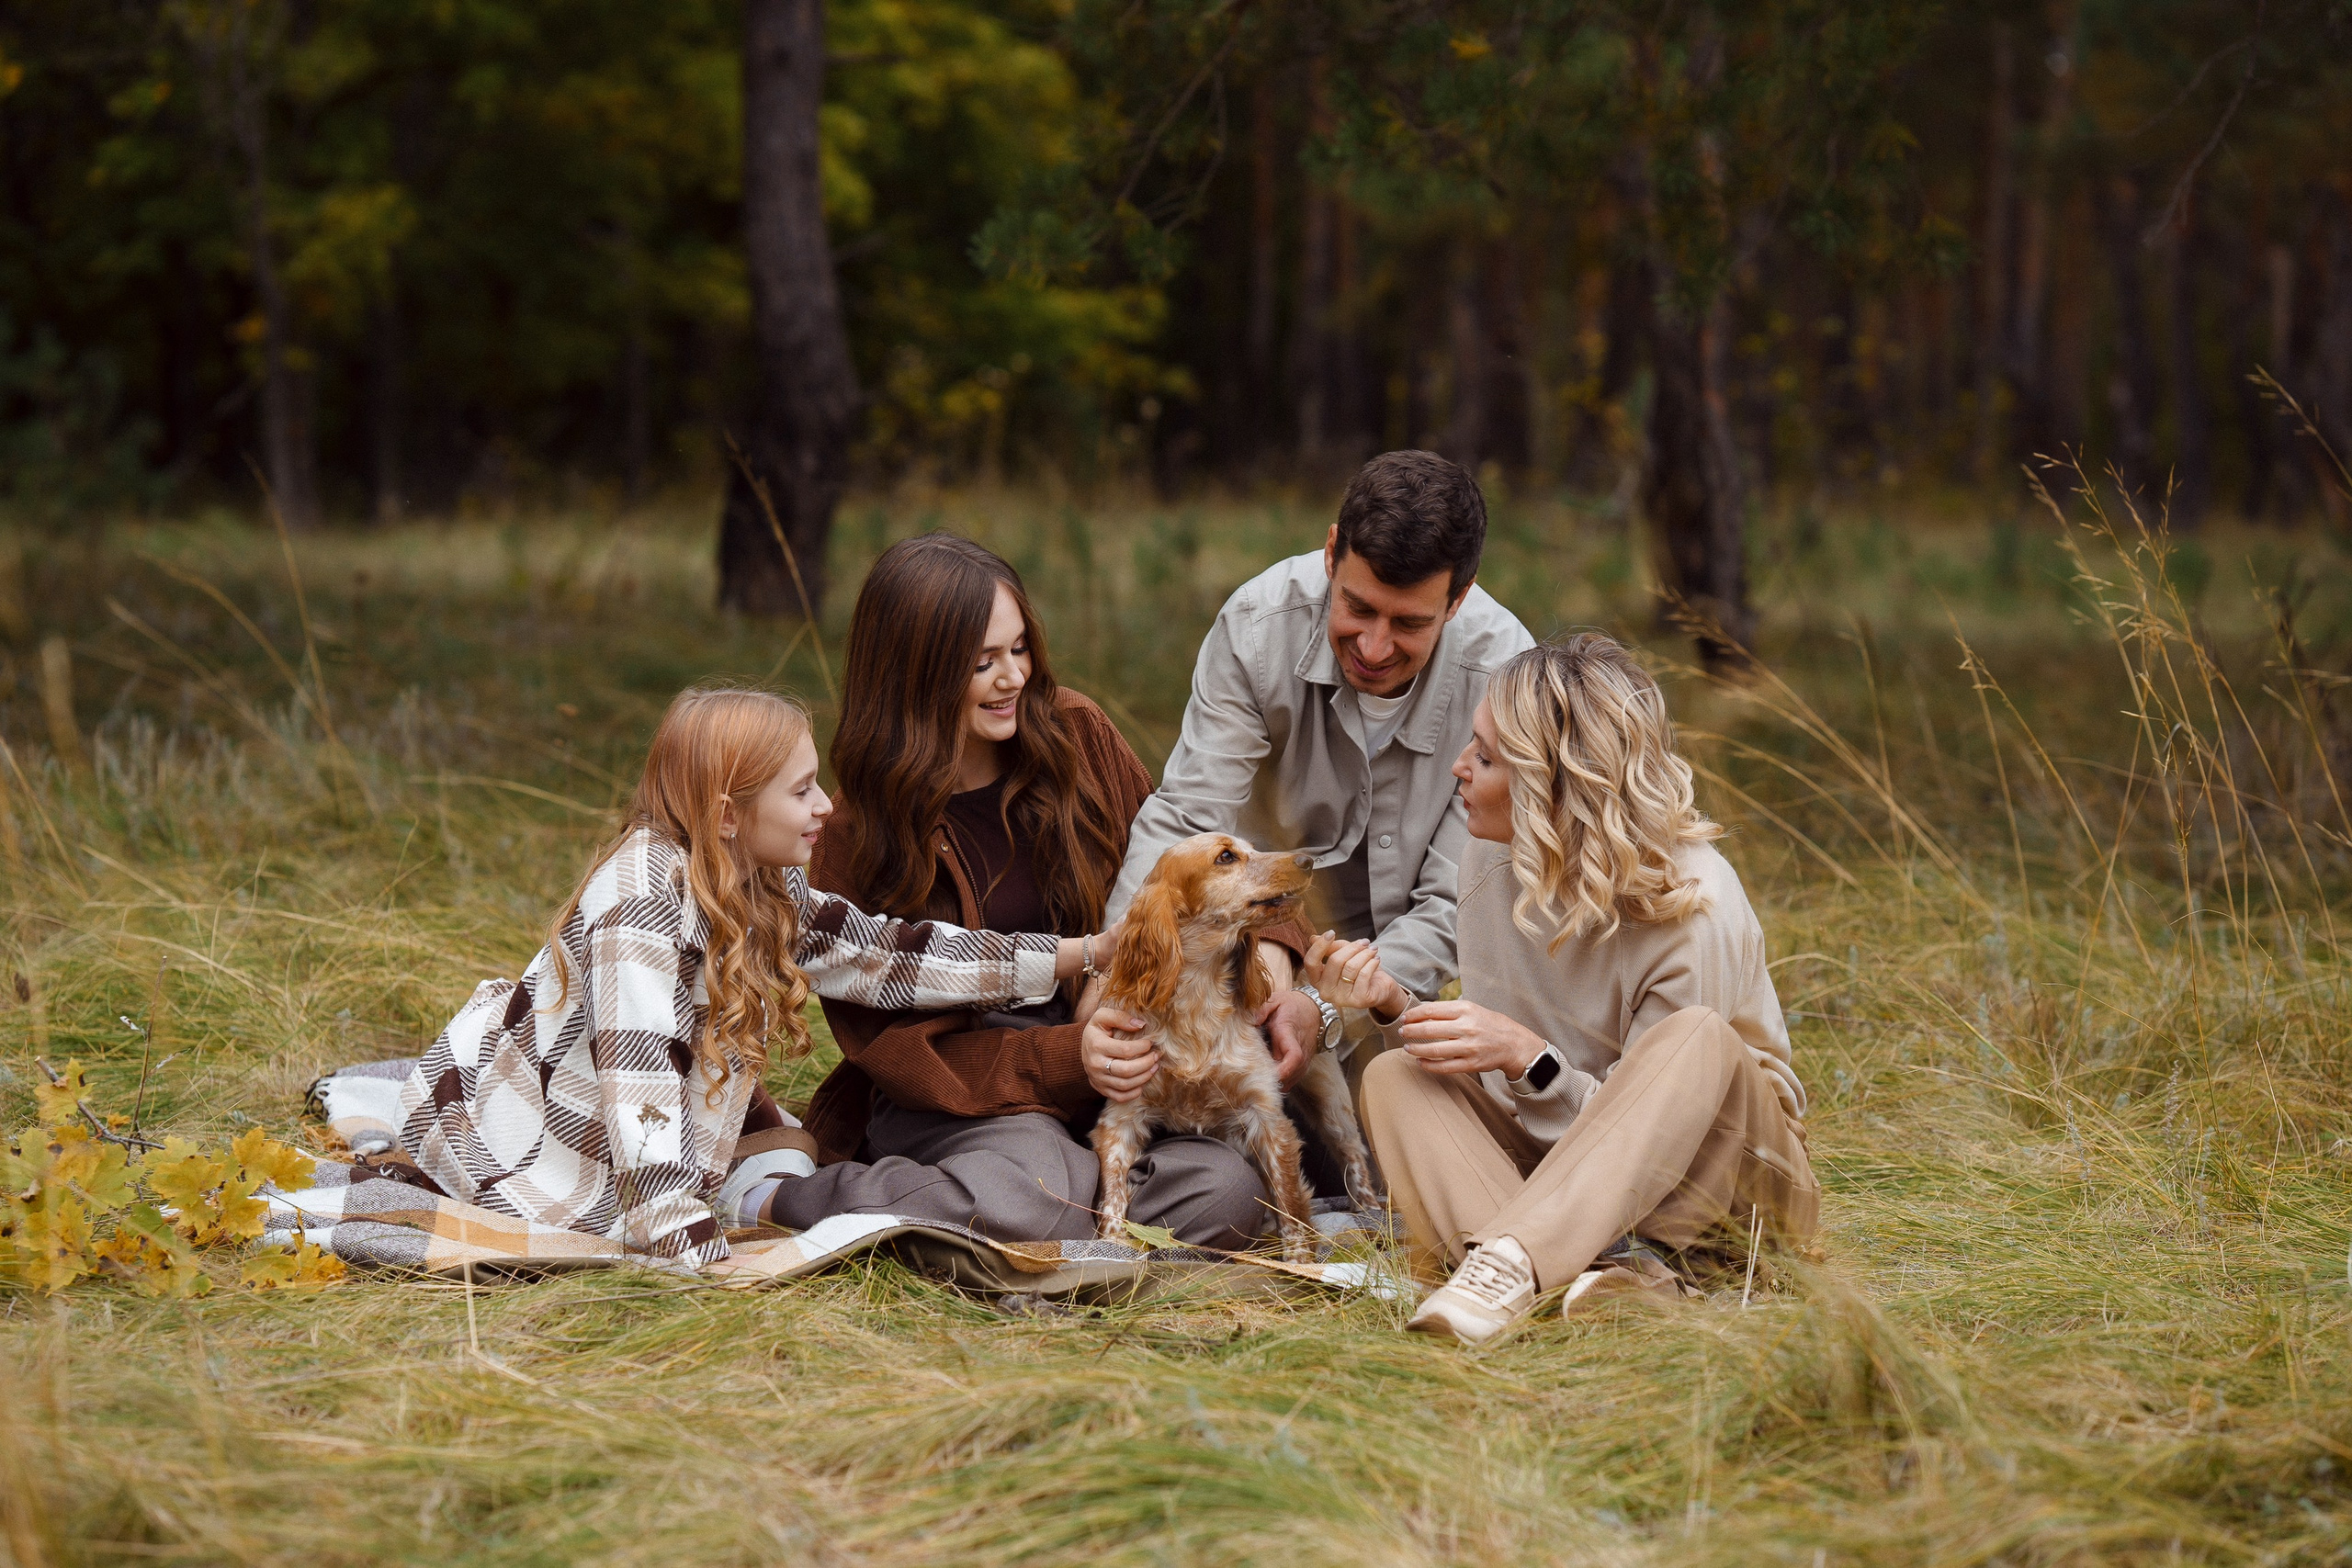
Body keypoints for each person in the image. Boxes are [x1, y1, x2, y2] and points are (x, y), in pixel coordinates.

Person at [393, 686, 1112, 1270]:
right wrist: (687, 1243)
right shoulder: (638, 906)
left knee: (779, 1141)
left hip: (657, 1106)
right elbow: (640, 1093)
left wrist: (1073, 955)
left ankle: (742, 1179)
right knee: (668, 1184)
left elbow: (887, 955)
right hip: (532, 1138)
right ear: (728, 814)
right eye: (802, 791)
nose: (825, 804)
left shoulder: (759, 876)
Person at [767, 535, 1277, 1249]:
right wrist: (1069, 1057)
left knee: (1227, 1188)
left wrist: (1276, 946)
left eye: (1019, 649)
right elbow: (893, 1052)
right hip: (961, 1098)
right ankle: (786, 1196)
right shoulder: (855, 828)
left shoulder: (1077, 735)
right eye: (982, 663)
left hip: (1105, 1084)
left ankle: (1049, 1234)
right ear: (916, 674)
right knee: (1036, 1191)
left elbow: (1186, 869)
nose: (1013, 677)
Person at [1306, 635, 1819, 1344]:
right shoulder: (1491, 858)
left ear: (1555, 785)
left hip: (1724, 1194)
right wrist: (1393, 1007)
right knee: (1398, 1076)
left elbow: (1653, 1149)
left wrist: (1532, 1061)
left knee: (1696, 1034)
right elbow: (1506, 1084)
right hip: (1568, 1177)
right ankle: (1575, 1284)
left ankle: (1514, 1263)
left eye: (1487, 758)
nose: (1460, 767)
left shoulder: (1690, 906)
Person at [1092, 451, 1534, 1102]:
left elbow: (1454, 902)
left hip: (1392, 988)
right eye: (1357, 607)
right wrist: (1111, 988)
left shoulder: (1508, 677)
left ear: (1458, 600)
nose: (1375, 647)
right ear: (1332, 554)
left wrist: (1324, 1008)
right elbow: (1187, 817)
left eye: (1409, 623)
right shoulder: (1256, 627)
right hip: (1250, 941)